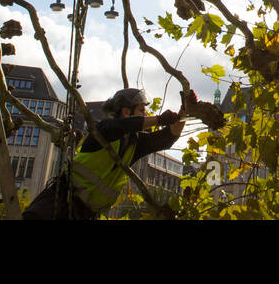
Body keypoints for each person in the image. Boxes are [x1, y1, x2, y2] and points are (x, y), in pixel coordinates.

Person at [23, 88, 186, 220]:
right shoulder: (104, 129)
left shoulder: (134, 144)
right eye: (142, 110)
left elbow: (167, 138)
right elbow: (121, 127)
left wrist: (184, 113)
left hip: (86, 214)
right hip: (58, 202)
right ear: (126, 112)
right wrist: (158, 120)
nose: (146, 114)